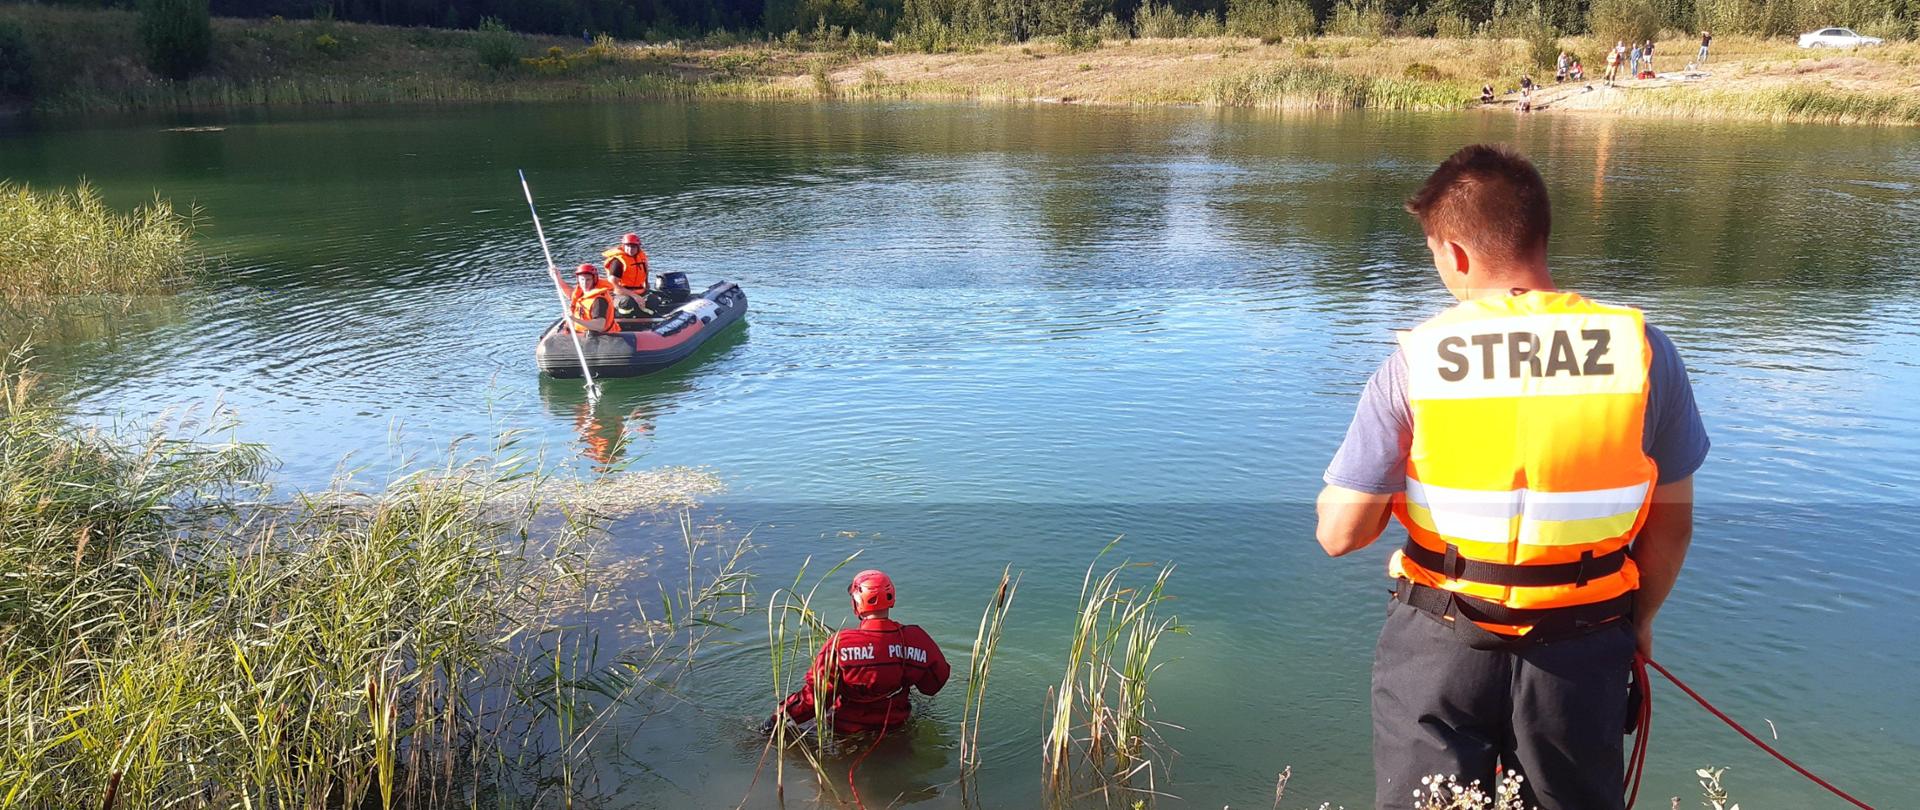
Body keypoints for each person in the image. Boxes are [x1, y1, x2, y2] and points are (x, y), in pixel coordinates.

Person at [1314, 144, 1708, 810]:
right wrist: (1635, 622)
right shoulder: (1642, 352)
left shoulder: (1419, 361)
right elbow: (1672, 526)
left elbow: (1341, 532)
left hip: (1441, 641)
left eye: (1434, 253)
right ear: (1540, 234)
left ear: (1456, 254)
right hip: (1583, 644)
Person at [764, 570, 951, 736]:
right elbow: (933, 686)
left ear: (857, 604)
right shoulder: (916, 638)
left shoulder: (840, 644)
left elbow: (815, 699)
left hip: (844, 733)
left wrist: (775, 720)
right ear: (892, 598)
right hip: (895, 730)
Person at [601, 233, 651, 318]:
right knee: (627, 302)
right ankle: (622, 319)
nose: (630, 249)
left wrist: (646, 286)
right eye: (628, 246)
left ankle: (643, 318)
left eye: (633, 247)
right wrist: (634, 296)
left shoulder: (642, 258)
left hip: (638, 291)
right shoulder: (617, 262)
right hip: (619, 294)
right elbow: (614, 285)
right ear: (623, 246)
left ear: (638, 247)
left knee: (653, 300)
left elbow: (646, 273)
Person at [562, 263, 619, 334]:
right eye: (582, 279)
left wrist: (574, 319)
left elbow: (599, 326)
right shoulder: (581, 292)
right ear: (578, 280)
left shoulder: (599, 300)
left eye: (588, 280)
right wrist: (558, 278)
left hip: (601, 337)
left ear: (594, 280)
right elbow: (570, 293)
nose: (585, 283)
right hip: (581, 334)